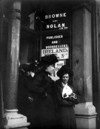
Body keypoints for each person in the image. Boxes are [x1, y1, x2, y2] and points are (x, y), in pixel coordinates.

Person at [27, 54, 58, 129]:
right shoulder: (40, 75)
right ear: (46, 67)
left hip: (49, 104)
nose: (54, 68)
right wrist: (44, 91)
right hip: (43, 105)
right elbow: (33, 87)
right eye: (52, 66)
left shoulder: (47, 76)